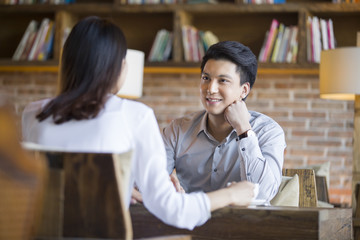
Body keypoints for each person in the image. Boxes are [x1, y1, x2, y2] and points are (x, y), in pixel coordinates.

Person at [21, 16, 255, 230]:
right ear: (118, 67)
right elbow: (173, 210)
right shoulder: (135, 116)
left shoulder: (32, 114)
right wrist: (231, 194)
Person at [162, 41, 286, 201]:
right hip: (191, 222)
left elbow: (262, 195)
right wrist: (167, 188)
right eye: (206, 78)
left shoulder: (268, 131)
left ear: (244, 90)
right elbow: (149, 183)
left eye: (223, 81)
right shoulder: (177, 130)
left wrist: (244, 130)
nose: (210, 89)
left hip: (246, 224)